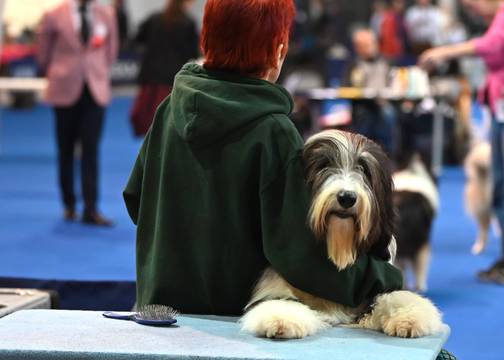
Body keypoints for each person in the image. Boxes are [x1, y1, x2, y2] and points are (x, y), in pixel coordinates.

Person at [123, 0, 402, 317]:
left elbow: (135, 200)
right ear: (279, 49)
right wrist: (384, 277)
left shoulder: (169, 110)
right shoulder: (273, 131)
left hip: (157, 312)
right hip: (233, 324)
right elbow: (298, 255)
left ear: (206, 39)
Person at [420, 0, 504, 285]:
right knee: (501, 186)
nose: (470, 8)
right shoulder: (500, 18)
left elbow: (489, 46)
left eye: (471, 2)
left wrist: (444, 52)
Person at [37, 0, 118, 226]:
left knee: (91, 149)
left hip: (95, 90)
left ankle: (91, 208)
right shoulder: (54, 14)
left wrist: (97, 72)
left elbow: (111, 52)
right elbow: (43, 55)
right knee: (66, 149)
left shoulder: (106, 14)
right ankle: (69, 203)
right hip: (64, 89)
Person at [129, 0, 199, 136]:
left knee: (148, 123)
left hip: (150, 79)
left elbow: (136, 39)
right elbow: (192, 54)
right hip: (172, 81)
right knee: (168, 125)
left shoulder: (154, 18)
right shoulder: (188, 23)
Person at [343, 28, 396, 153]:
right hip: (362, 104)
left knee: (388, 113)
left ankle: (389, 154)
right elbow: (346, 87)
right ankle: (361, 153)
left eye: (369, 44)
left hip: (385, 103)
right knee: (364, 115)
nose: (368, 48)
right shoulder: (354, 64)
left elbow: (396, 83)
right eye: (362, 46)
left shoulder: (388, 62)